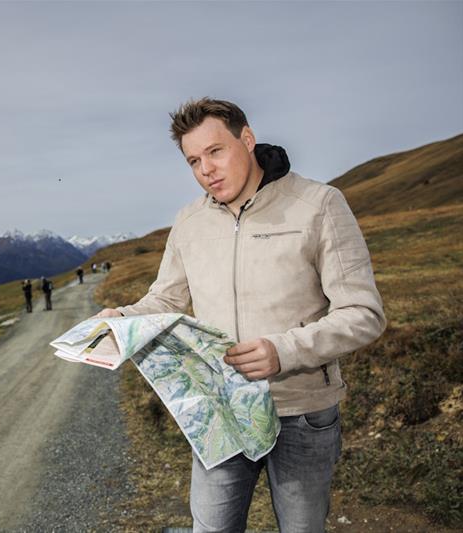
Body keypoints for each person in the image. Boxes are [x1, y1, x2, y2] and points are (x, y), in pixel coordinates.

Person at [95, 98, 386, 532]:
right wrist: (123, 317)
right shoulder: (189, 222)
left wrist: (283, 351)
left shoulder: (319, 204)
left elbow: (363, 313)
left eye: (215, 151)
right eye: (194, 161)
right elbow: (166, 300)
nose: (206, 170)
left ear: (246, 140)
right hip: (220, 410)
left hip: (302, 409)